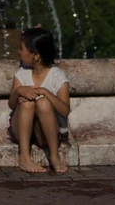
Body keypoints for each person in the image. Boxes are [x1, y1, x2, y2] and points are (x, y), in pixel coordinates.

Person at [7, 27, 71, 174]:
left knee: (43, 103)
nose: (19, 52)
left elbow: (65, 110)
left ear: (35, 55)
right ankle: (24, 157)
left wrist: (45, 93)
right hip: (22, 131)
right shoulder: (22, 74)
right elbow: (11, 106)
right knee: (27, 103)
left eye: (22, 49)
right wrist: (18, 92)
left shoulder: (57, 76)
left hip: (45, 134)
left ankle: (54, 156)